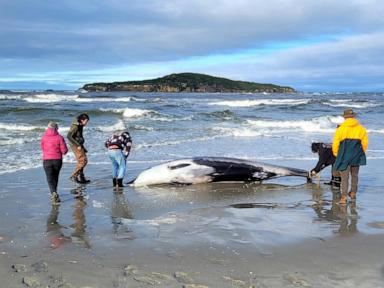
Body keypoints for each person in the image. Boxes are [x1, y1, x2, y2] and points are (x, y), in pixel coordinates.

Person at [332, 108, 368, 204]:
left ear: (345, 117)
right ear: (353, 117)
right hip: (356, 155)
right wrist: (360, 153)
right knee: (355, 175)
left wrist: (336, 154)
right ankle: (353, 193)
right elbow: (364, 144)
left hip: (344, 155)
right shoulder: (361, 128)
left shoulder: (341, 129)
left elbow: (335, 144)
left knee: (344, 177)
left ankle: (343, 197)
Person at [41, 121, 68, 205]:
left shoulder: (43, 137)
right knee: (55, 177)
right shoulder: (60, 137)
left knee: (49, 178)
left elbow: (42, 148)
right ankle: (54, 193)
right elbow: (64, 151)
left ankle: (53, 193)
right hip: (57, 160)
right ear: (56, 128)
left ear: (48, 128)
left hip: (47, 160)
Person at [67, 113, 90, 184]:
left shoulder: (80, 125)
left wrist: (82, 146)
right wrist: (77, 145)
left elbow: (79, 136)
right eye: (86, 121)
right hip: (76, 145)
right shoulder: (76, 126)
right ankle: (74, 176)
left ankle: (81, 178)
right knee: (83, 161)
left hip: (79, 145)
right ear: (82, 120)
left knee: (82, 161)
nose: (87, 123)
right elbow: (69, 136)